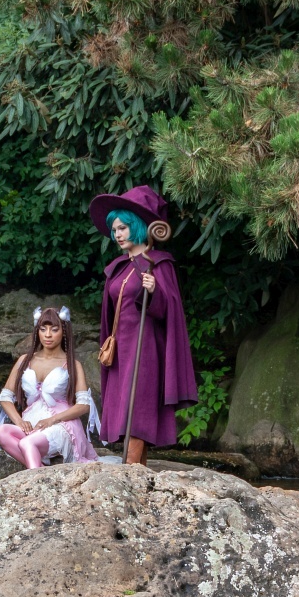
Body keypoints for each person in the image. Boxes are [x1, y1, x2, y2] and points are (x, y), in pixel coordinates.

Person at [91, 185, 198, 466]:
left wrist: (155, 291)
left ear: (138, 226)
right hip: (121, 350)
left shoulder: (158, 264)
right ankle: (138, 472)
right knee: (125, 410)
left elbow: (170, 310)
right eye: (115, 229)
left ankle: (129, 472)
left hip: (145, 348)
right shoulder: (119, 267)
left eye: (123, 228)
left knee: (137, 410)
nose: (117, 234)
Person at [0, 305, 98, 469]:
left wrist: (52, 420)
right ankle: (41, 470)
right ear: (37, 331)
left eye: (54, 330)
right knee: (1, 431)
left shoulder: (71, 364)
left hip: (60, 425)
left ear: (64, 332)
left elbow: (84, 405)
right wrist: (19, 421)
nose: (48, 335)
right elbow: (5, 397)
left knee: (27, 443)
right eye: (43, 329)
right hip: (32, 422)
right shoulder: (24, 360)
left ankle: (36, 480)